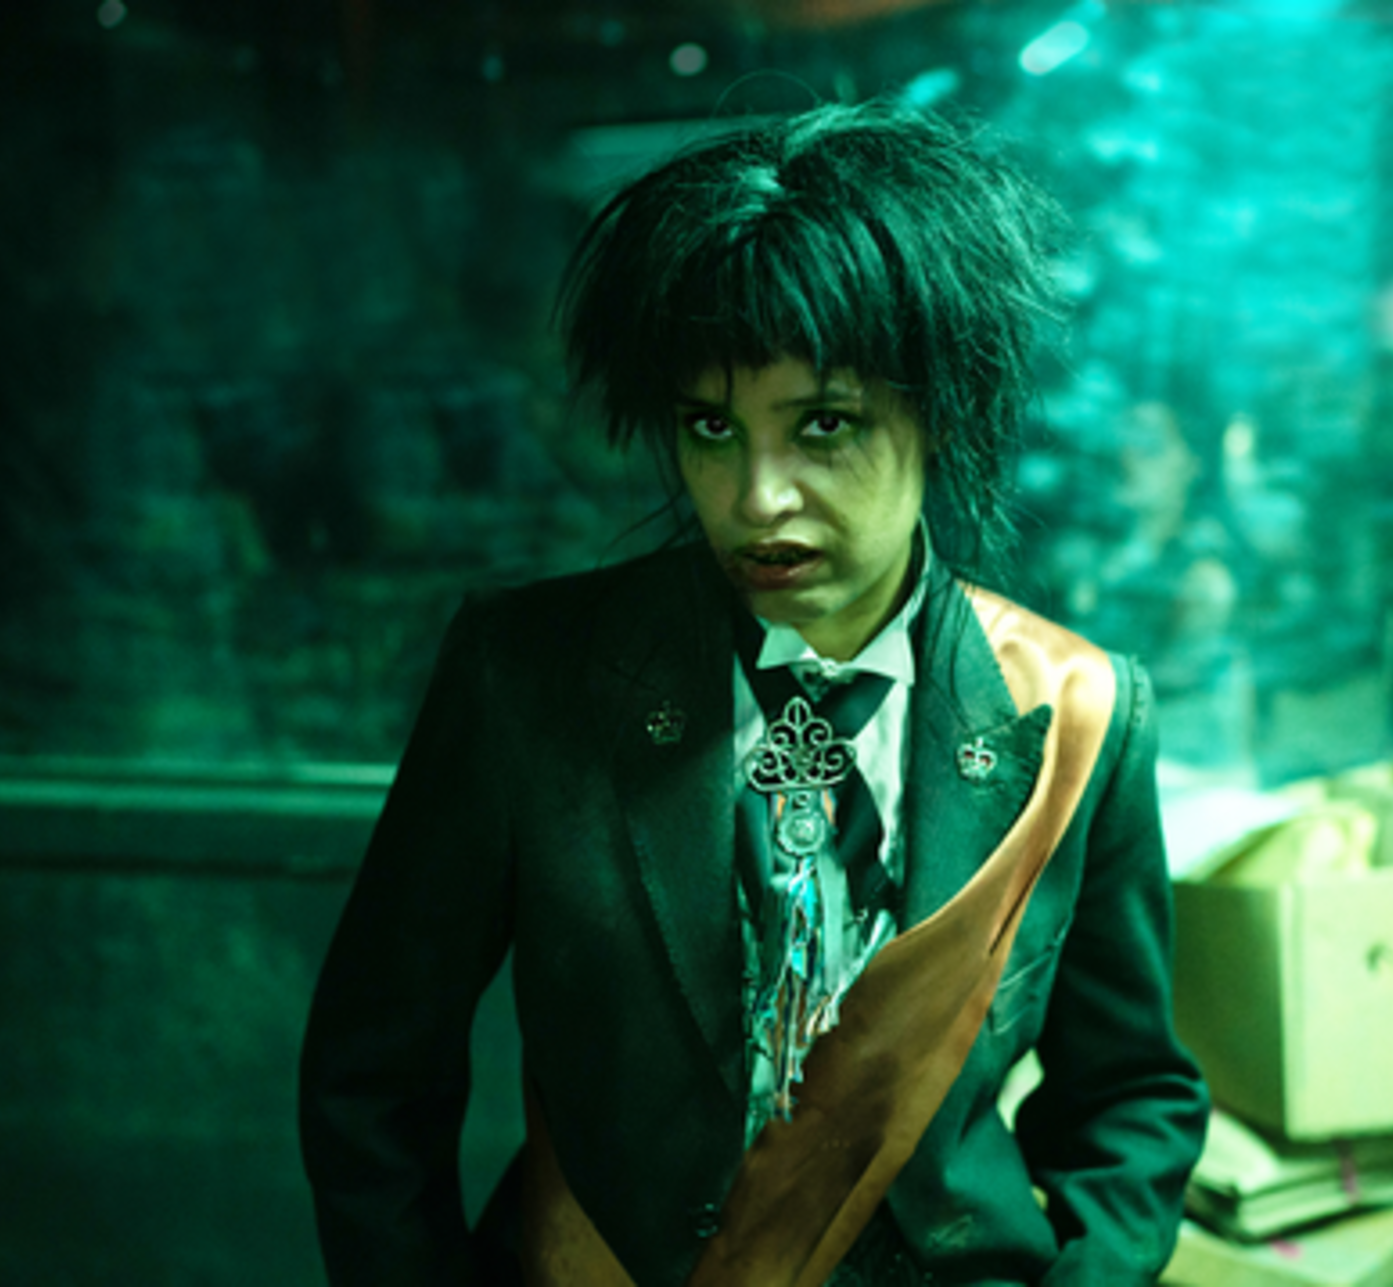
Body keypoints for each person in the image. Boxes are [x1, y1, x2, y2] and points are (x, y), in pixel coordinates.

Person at [300, 101, 1207, 1286]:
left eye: (824, 425)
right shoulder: (528, 680)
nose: (757, 497)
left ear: (940, 410)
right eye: (712, 428)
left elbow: (1130, 1096)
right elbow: (373, 1076)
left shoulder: (1076, 712)